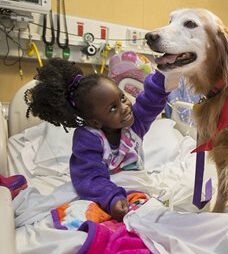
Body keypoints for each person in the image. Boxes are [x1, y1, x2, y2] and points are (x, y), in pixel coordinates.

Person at [22, 58, 179, 221]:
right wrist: (112, 199)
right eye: (113, 108)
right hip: (105, 191)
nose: (125, 107)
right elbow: (89, 178)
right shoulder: (89, 138)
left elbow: (150, 101)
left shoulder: (134, 124)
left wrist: (164, 74)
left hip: (135, 186)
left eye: (122, 98)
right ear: (95, 122)